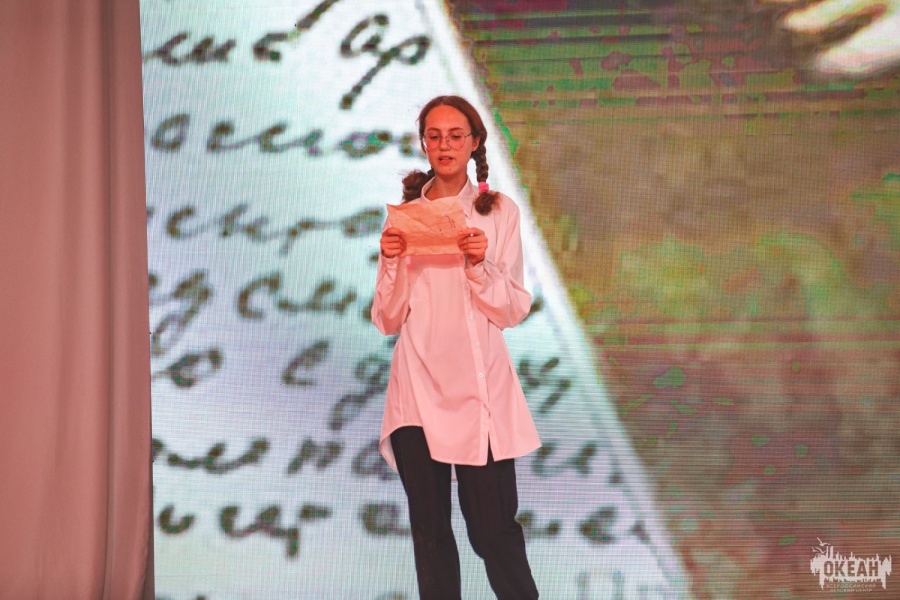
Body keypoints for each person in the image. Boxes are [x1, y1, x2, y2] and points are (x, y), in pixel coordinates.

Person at [371, 95, 541, 599]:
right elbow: (387, 319)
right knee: (430, 535)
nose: (444, 145)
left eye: (455, 135)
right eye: (434, 136)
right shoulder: (403, 217)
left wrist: (478, 265)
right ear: (424, 143)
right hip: (416, 390)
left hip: (479, 392)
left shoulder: (498, 211)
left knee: (492, 531)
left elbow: (511, 310)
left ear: (474, 142)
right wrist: (391, 261)